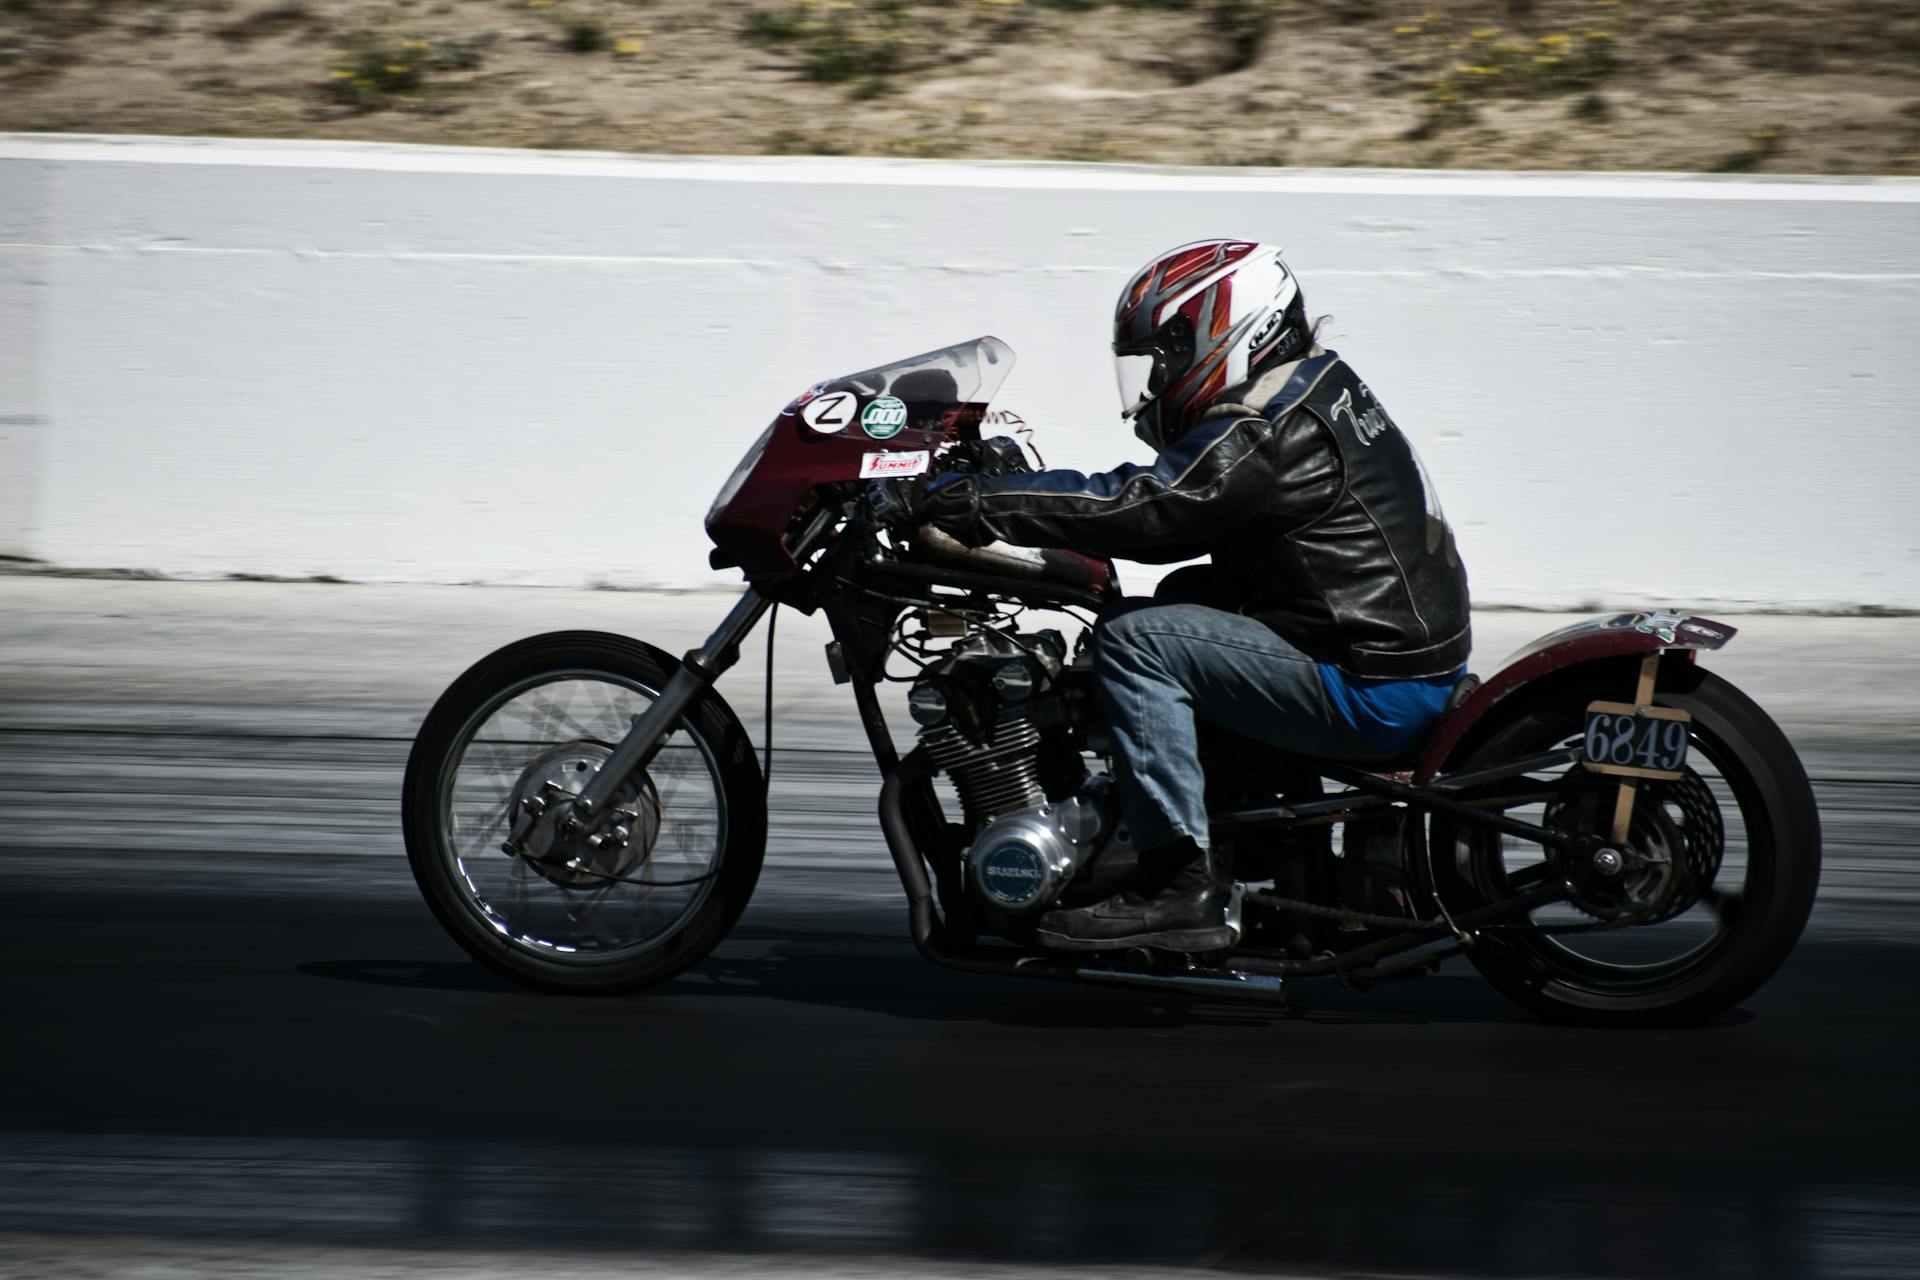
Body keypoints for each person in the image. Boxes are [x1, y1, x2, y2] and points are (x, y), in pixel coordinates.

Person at [870, 240, 1472, 953]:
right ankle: (1223, 830)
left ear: (1220, 328)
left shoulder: (1265, 424)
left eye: (1163, 357)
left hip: (1371, 686)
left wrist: (979, 501)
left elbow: (1153, 509)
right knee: (1184, 596)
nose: (1156, 380)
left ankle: (1177, 884)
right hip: (1391, 653)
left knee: (1135, 641)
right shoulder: (1313, 384)